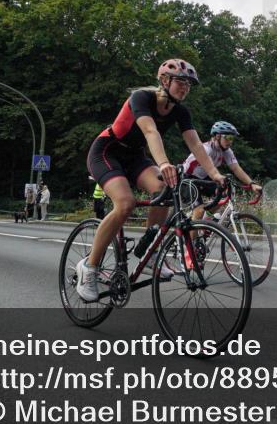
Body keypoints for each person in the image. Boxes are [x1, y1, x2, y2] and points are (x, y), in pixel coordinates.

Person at [77, 58, 226, 301]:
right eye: (181, 81)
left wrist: (216, 175)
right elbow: (150, 131)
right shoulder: (141, 98)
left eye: (189, 84)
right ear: (164, 80)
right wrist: (164, 163)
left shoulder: (180, 111)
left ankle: (149, 247)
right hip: (108, 151)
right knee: (125, 204)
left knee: (164, 189)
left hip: (135, 156)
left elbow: (196, 145)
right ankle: (89, 268)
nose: (185, 88)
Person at [181, 121, 262, 224]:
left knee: (223, 196)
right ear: (217, 136)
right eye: (228, 137)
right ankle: (193, 239)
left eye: (232, 138)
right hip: (187, 178)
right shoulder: (206, 149)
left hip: (202, 178)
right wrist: (219, 177)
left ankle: (207, 222)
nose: (230, 141)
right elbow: (211, 169)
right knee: (199, 210)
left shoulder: (226, 151)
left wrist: (252, 183)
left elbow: (236, 168)